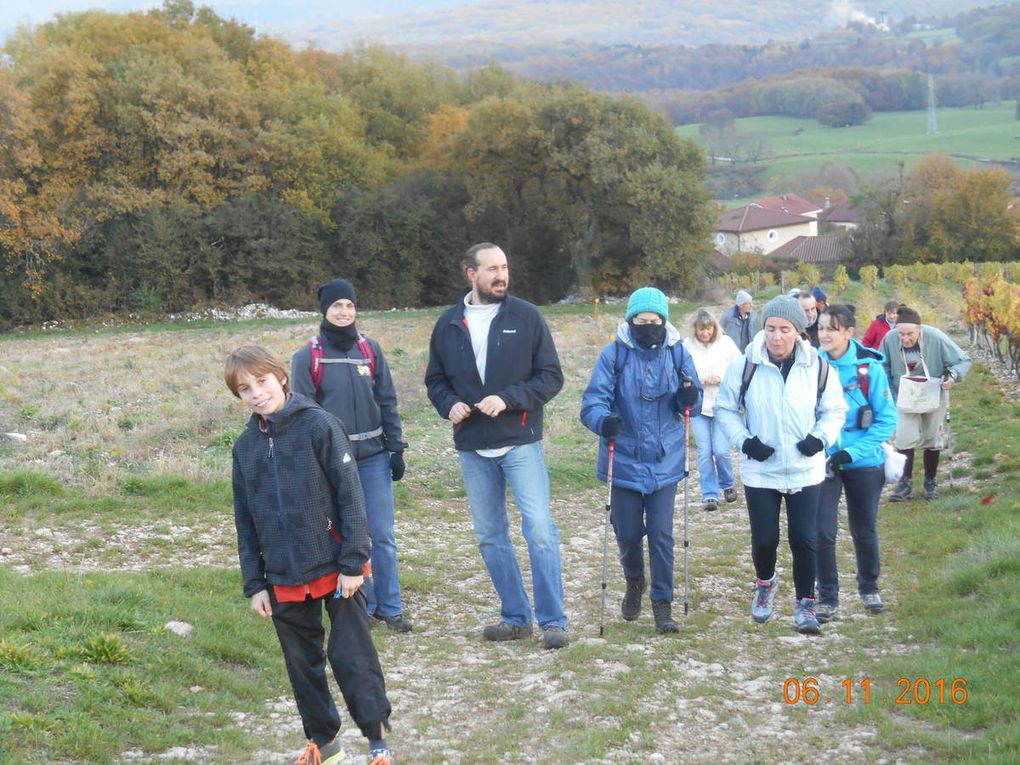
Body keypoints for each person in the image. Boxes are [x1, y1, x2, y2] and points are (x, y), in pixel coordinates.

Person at [225, 346, 394, 765]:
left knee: (352, 657)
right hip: (282, 575)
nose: (256, 393)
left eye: (262, 382)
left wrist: (354, 561)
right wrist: (255, 584)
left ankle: (378, 743)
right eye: (245, 388)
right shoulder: (244, 447)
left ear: (281, 378)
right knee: (302, 665)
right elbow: (245, 522)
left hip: (337, 568)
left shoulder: (320, 425)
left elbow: (351, 497)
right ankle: (325, 744)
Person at [424, 242, 569, 650]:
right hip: (472, 446)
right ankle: (516, 617)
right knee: (490, 536)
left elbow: (551, 377)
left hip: (520, 442)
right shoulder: (448, 324)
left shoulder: (526, 317)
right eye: (492, 269)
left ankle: (553, 621)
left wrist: (508, 398)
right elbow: (436, 381)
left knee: (539, 530)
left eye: (504, 267)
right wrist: (448, 404)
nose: (501, 275)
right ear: (470, 273)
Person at [715, 295, 847, 635]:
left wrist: (820, 438)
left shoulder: (818, 366)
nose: (776, 337)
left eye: (785, 330)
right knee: (764, 539)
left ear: (799, 332)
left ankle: (806, 603)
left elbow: (834, 410)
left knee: (805, 538)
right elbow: (725, 409)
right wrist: (745, 442)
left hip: (805, 467)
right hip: (762, 468)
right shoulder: (745, 365)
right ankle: (765, 583)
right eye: (771, 329)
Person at [291, 279, 412, 633]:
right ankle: (360, 607)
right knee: (346, 536)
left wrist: (396, 448)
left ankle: (390, 608)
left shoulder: (370, 350)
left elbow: (387, 400)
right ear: (324, 310)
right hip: (333, 462)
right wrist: (312, 463)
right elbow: (303, 414)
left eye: (350, 306)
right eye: (336, 307)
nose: (344, 313)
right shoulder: (307, 356)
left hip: (374, 458)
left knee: (381, 535)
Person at [580, 287, 702, 633]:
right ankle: (635, 581)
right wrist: (603, 421)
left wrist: (688, 396)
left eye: (654, 321)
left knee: (662, 535)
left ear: (664, 321)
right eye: (641, 320)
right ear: (630, 320)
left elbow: (691, 402)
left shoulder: (677, 353)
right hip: (624, 459)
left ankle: (663, 604)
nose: (648, 326)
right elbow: (593, 402)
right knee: (629, 533)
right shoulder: (614, 355)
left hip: (665, 460)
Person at [815, 305, 898, 622]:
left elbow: (886, 420)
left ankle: (869, 588)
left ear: (849, 332)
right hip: (823, 459)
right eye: (821, 328)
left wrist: (850, 452)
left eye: (831, 329)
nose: (824, 335)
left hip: (864, 461)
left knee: (863, 529)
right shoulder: (810, 366)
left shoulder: (869, 369)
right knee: (821, 531)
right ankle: (828, 597)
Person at [880, 305, 971, 501]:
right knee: (904, 437)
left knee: (932, 437)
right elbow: (882, 366)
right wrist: (890, 392)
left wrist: (953, 376)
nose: (905, 338)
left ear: (919, 329)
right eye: (901, 334)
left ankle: (930, 481)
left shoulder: (935, 337)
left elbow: (963, 360)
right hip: (903, 394)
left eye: (910, 334)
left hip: (933, 392)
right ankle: (905, 483)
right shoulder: (888, 339)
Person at [683, 308, 741, 512]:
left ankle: (727, 484)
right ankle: (709, 494)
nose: (705, 333)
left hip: (723, 405)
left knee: (721, 450)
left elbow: (739, 369)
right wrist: (695, 382)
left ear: (714, 328)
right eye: (701, 329)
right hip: (699, 406)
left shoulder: (726, 344)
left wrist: (722, 380)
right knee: (705, 452)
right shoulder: (687, 346)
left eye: (708, 329)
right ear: (695, 329)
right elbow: (681, 372)